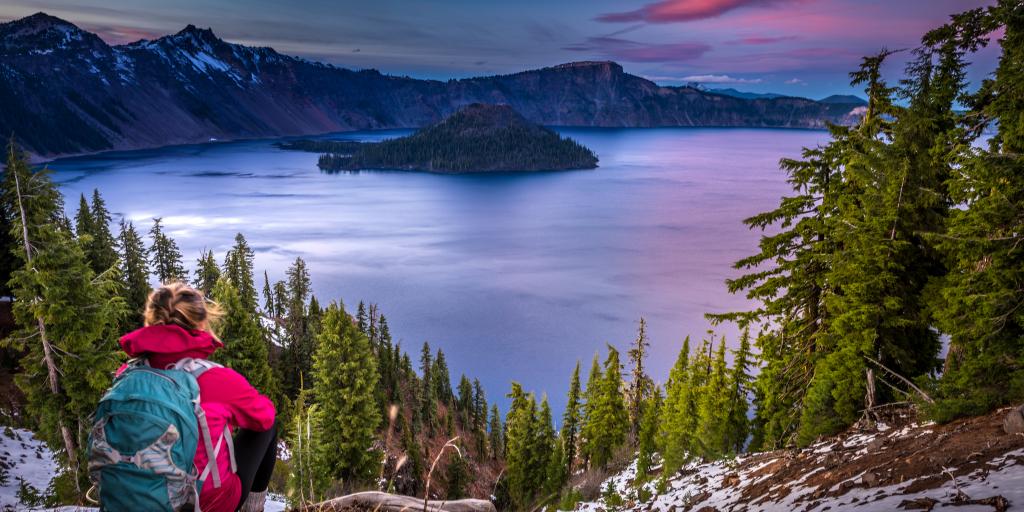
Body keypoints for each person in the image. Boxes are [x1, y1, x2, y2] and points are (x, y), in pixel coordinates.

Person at [118, 282, 277, 512]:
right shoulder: (214, 378)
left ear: (150, 322)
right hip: (206, 503)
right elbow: (264, 416)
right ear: (201, 323)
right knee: (268, 428)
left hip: (138, 501)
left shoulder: (126, 376)